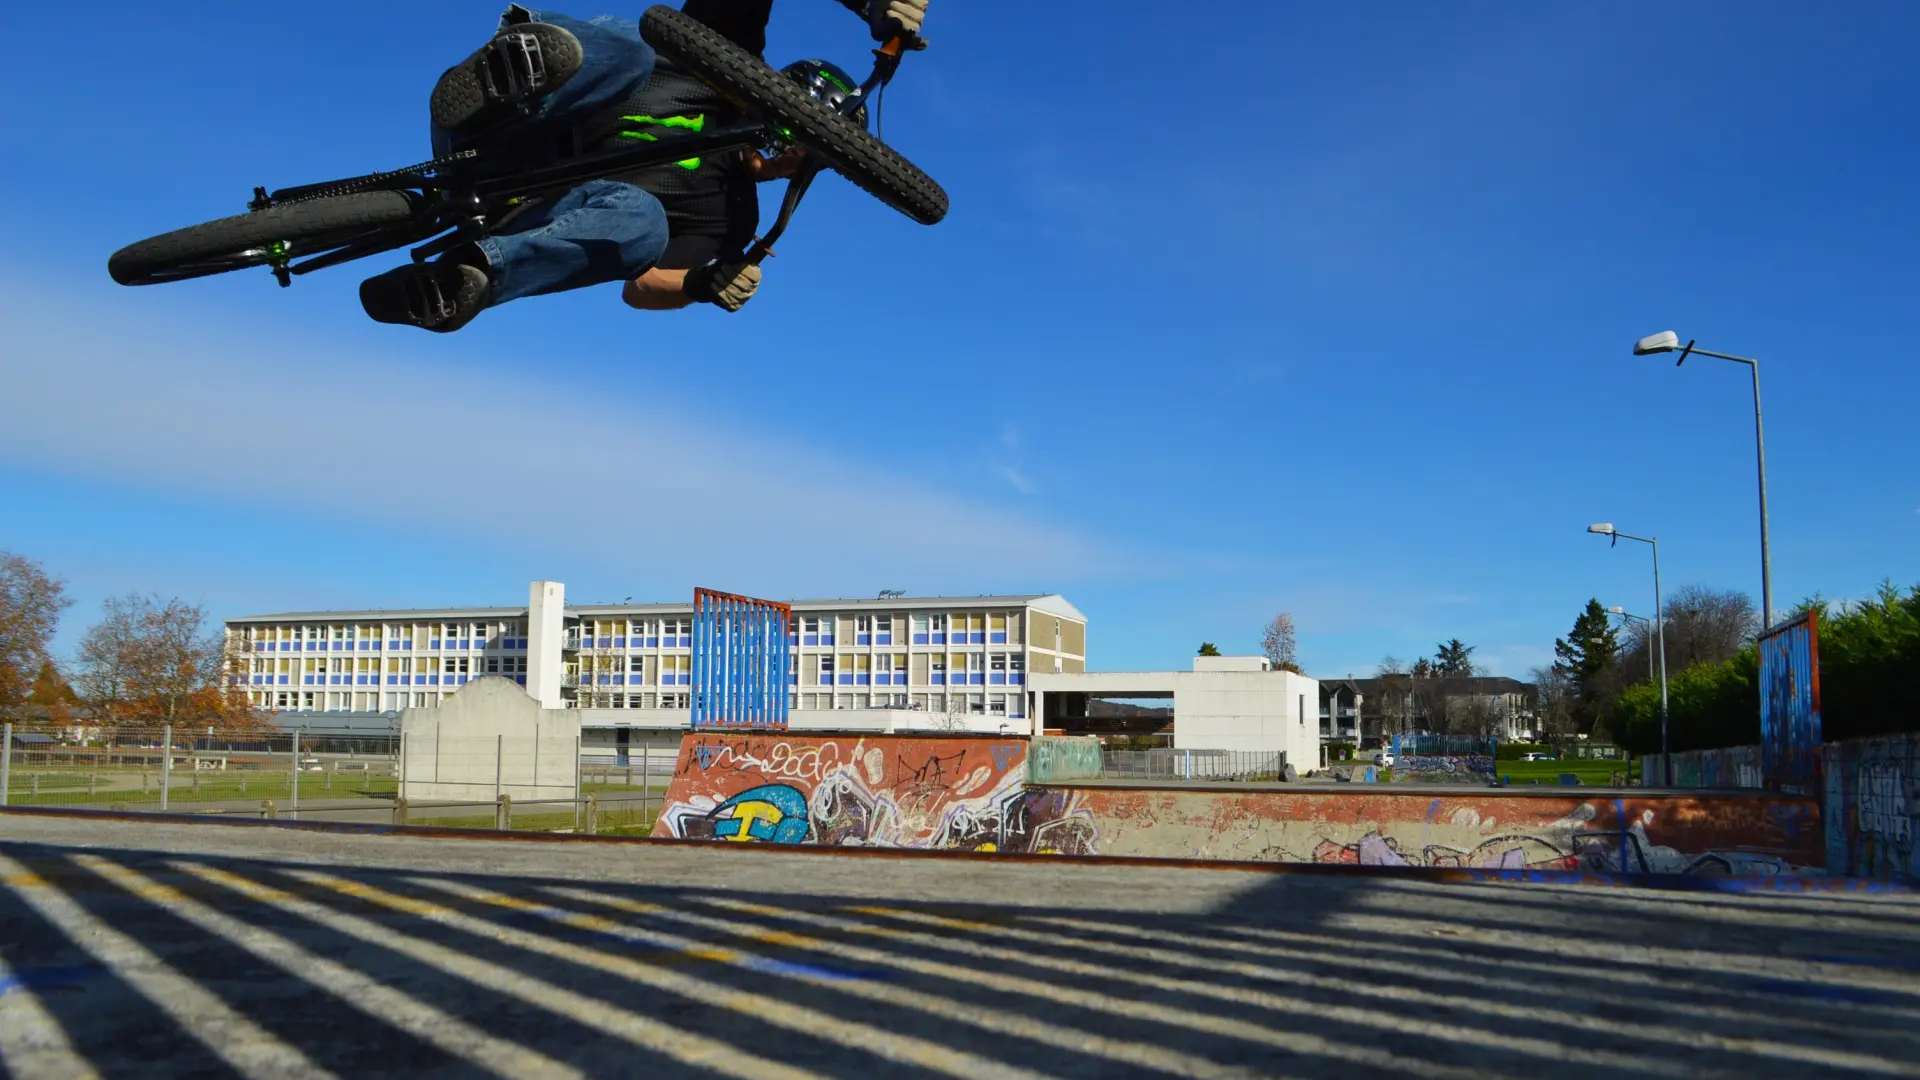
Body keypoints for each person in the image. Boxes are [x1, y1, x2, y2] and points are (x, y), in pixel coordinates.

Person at [358, 0, 928, 332]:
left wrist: (702, 283)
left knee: (644, 224)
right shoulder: (724, 60)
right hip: (500, 119)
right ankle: (513, 69)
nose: (787, 148)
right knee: (641, 47)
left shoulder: (729, 219)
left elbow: (643, 286)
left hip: (514, 210)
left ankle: (468, 278)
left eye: (809, 151)